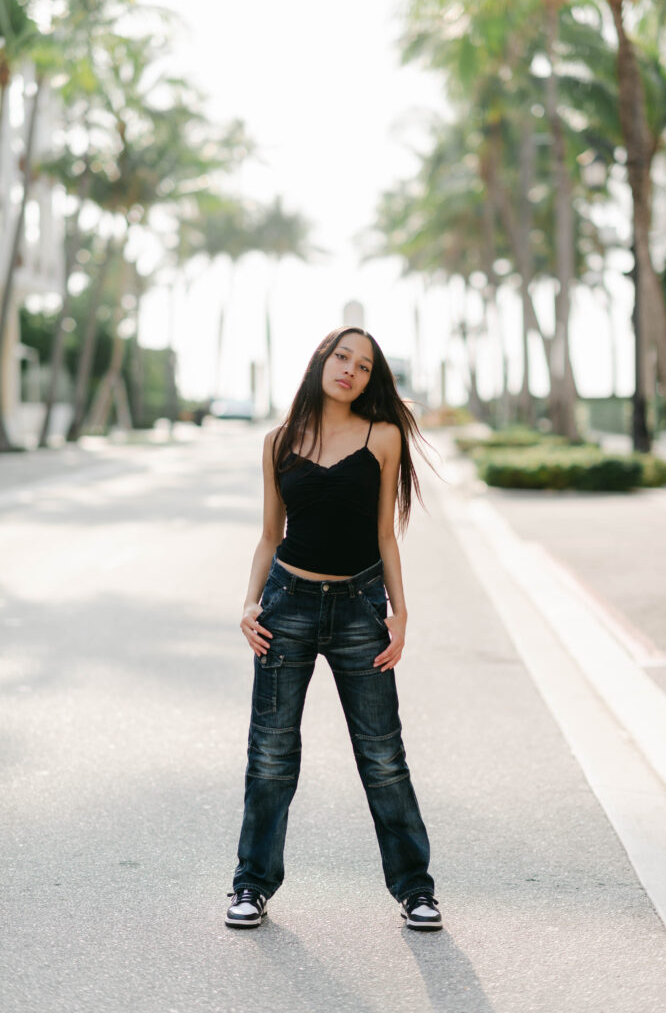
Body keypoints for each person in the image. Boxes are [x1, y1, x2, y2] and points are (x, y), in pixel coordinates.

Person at [226, 326, 441, 932]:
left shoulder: (383, 437)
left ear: (372, 380)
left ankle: (415, 889)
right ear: (321, 360)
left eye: (365, 366)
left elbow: (384, 534)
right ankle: (251, 884)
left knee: (382, 756)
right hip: (286, 605)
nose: (351, 369)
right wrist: (248, 603)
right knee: (270, 755)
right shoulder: (278, 442)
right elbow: (270, 535)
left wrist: (400, 614)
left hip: (357, 610)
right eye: (342, 356)